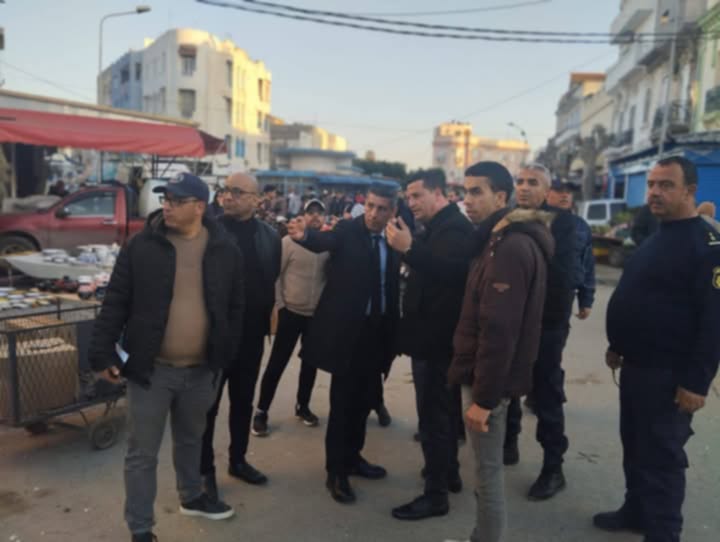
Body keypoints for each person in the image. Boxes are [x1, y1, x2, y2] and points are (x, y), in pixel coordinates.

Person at [89, 173, 244, 542]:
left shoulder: (224, 248)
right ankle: (141, 528)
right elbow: (116, 301)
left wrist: (225, 351)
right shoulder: (142, 245)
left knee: (191, 439)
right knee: (142, 453)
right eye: (166, 199)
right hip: (151, 371)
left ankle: (192, 496)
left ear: (199, 207)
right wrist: (102, 353)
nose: (167, 206)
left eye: (176, 200)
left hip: (201, 370)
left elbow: (236, 305)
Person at [594, 157, 720, 542]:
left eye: (666, 185)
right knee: (634, 447)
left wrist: (696, 383)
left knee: (662, 457)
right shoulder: (658, 234)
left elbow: (714, 322)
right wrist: (618, 345)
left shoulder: (706, 246)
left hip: (669, 375)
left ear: (689, 191)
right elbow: (641, 295)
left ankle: (664, 531)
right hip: (637, 366)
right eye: (651, 184)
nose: (654, 192)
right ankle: (636, 510)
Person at [445, 161, 553, 542]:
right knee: (486, 470)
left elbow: (500, 330)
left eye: (477, 192)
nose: (467, 200)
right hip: (489, 379)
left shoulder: (509, 247)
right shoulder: (498, 239)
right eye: (465, 192)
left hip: (488, 384)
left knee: (487, 474)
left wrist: (484, 399)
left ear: (501, 197)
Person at [286, 183, 401, 505]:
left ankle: (353, 458)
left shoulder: (395, 237)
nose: (374, 214)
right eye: (371, 206)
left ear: (393, 210)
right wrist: (304, 236)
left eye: (382, 209)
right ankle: (335, 472)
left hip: (377, 332)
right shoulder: (348, 231)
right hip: (348, 333)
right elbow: (325, 241)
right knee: (343, 404)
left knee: (364, 401)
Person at [386, 169, 474, 520]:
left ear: (439, 194)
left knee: (434, 419)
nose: (411, 203)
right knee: (444, 414)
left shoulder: (454, 229)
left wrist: (409, 249)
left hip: (438, 342)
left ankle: (436, 495)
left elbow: (450, 273)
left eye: (417, 196)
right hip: (433, 340)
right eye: (408, 197)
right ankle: (447, 472)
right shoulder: (439, 226)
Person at [201, 173, 281, 498]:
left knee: (243, 401)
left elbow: (270, 276)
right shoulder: (208, 231)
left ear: (256, 200)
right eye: (225, 190)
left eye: (237, 191)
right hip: (215, 335)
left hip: (251, 335)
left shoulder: (270, 237)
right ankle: (204, 471)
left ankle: (238, 460)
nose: (228, 196)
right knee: (207, 406)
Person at [503, 163, 576, 501]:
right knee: (508, 387)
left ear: (547, 191)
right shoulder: (511, 220)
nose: (524, 187)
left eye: (533, 182)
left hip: (546, 326)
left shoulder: (564, 224)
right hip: (514, 323)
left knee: (546, 395)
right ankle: (509, 443)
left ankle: (553, 468)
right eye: (520, 181)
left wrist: (545, 325)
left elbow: (563, 281)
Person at [251, 199, 329, 437]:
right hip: (291, 313)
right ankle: (262, 411)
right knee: (277, 363)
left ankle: (302, 406)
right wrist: (281, 305)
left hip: (316, 316)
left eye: (319, 213)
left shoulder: (328, 245)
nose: (315, 216)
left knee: (310, 364)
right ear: (302, 216)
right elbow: (276, 275)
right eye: (310, 212)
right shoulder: (288, 243)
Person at [546, 180, 596, 320]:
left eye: (568, 192)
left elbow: (586, 263)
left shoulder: (580, 226)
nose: (565, 195)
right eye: (559, 191)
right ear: (546, 193)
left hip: (564, 296)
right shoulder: (538, 221)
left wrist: (586, 300)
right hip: (538, 292)